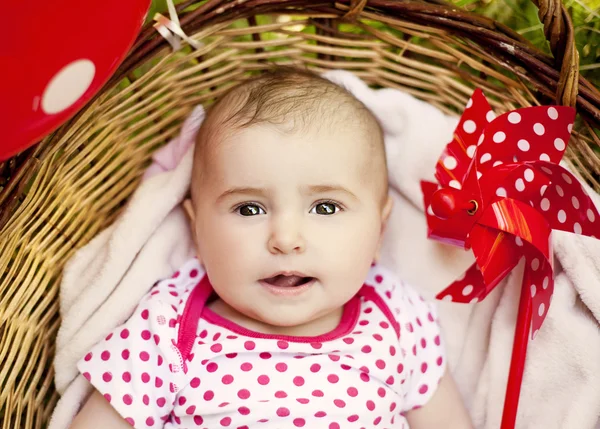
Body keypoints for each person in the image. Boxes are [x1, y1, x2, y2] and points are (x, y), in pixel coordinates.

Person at [70, 68, 473, 428]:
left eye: (325, 207)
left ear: (378, 232)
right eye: (248, 208)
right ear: (198, 231)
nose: (285, 238)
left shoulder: (399, 321)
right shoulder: (169, 328)